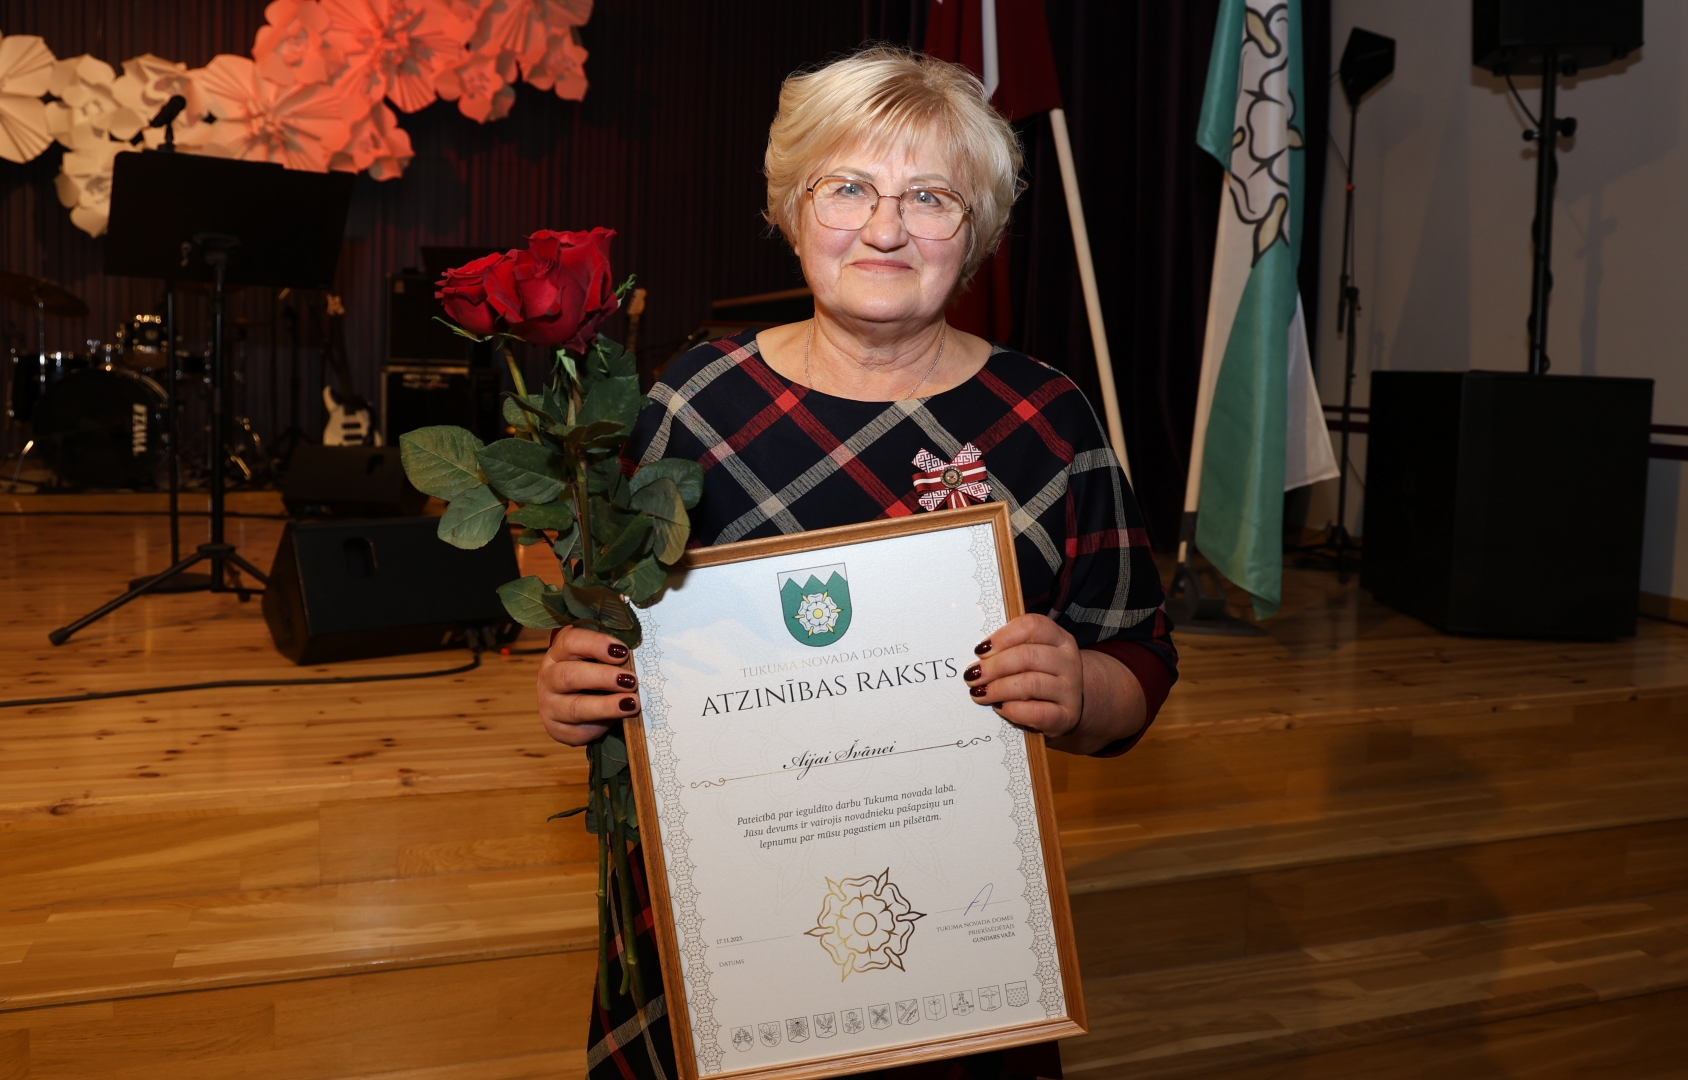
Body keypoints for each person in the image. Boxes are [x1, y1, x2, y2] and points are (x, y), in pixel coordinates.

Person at [538, 46, 1177, 1080]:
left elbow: (1137, 660)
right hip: (724, 910)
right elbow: (614, 638)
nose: (885, 229)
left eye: (930, 197)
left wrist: (1078, 690)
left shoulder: (1044, 417)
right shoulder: (691, 403)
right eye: (846, 188)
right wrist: (577, 683)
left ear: (977, 233)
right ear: (791, 211)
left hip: (955, 915)